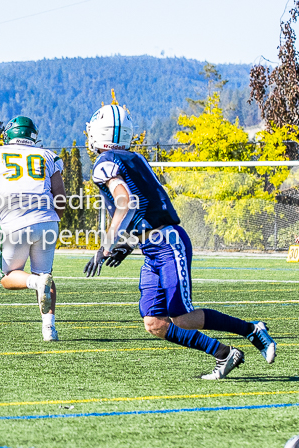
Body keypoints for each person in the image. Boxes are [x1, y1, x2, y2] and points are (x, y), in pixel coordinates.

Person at [83, 104, 277, 379]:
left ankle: (252, 329)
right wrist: (129, 243)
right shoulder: (133, 158)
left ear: (98, 133)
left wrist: (106, 246)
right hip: (154, 247)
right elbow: (145, 206)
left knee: (181, 317)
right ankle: (225, 354)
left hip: (167, 244)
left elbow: (124, 202)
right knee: (155, 323)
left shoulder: (105, 163)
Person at [0, 116, 66, 341]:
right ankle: (49, 329)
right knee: (46, 274)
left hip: (14, 222)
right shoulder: (48, 156)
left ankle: (34, 282)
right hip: (47, 220)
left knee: (8, 276)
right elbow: (59, 196)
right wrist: (54, 219)